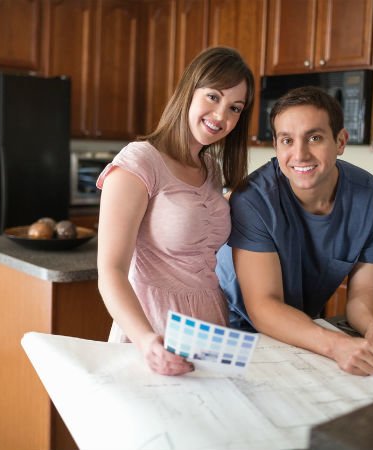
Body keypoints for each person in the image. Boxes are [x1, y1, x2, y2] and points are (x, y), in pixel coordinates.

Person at [216, 86, 373, 376]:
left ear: (340, 141)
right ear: (276, 145)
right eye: (287, 140)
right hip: (231, 328)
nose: (300, 154)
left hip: (301, 330)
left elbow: (366, 291)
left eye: (314, 138)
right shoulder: (253, 200)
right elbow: (263, 306)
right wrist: (336, 345)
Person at [96, 47, 255, 376]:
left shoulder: (211, 169)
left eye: (234, 108)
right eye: (213, 96)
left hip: (212, 332)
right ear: (188, 91)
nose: (221, 115)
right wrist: (146, 341)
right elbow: (110, 271)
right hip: (154, 334)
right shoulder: (140, 161)